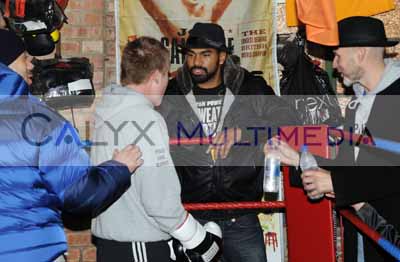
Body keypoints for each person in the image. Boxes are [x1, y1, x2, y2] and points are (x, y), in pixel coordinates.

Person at [0, 28, 143, 262]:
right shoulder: (38, 120)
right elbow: (79, 194)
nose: (31, 66)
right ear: (6, 64)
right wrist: (119, 168)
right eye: (25, 58)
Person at [265, 16, 400, 262]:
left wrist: (336, 184)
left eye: (337, 55)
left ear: (360, 54)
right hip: (363, 237)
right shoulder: (357, 105)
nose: (334, 64)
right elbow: (352, 168)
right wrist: (298, 159)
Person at [159, 22, 297, 262]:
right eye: (191, 55)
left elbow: (289, 121)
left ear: (222, 57)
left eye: (205, 55)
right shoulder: (172, 93)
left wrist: (245, 132)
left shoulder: (250, 88)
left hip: (241, 216)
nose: (196, 63)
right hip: (191, 216)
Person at [91, 36, 222, 262]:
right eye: (165, 78)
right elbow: (159, 198)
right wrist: (198, 239)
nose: (166, 85)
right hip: (138, 244)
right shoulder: (146, 119)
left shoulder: (108, 111)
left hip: (111, 244)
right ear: (154, 78)